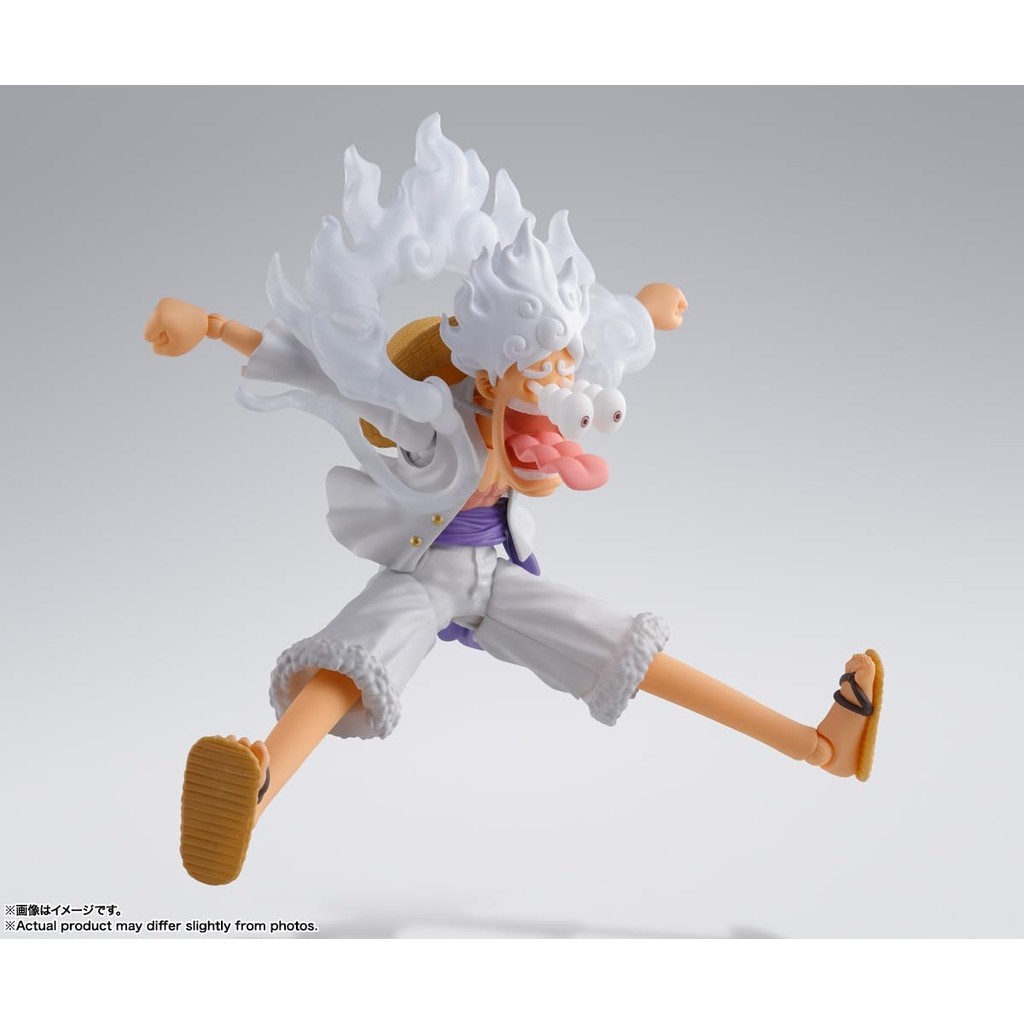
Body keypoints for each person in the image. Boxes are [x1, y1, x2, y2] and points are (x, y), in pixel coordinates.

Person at [144, 117, 883, 886]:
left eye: (562, 370)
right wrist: (215, 327)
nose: (558, 389)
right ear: (487, 376)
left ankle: (818, 745)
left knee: (624, 648)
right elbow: (325, 376)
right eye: (537, 373)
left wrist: (641, 314)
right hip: (425, 576)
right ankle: (257, 785)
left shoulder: (540, 408)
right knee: (352, 661)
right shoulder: (432, 419)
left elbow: (584, 356)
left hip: (499, 580)